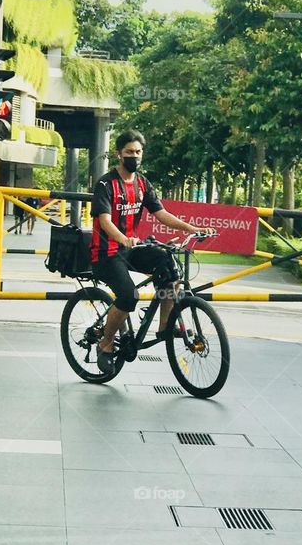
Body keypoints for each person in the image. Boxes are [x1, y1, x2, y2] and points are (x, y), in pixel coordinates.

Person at [91, 129, 214, 373]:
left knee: (169, 267)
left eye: (138, 152)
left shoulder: (142, 183)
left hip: (132, 248)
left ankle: (165, 324)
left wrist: (193, 228)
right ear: (119, 154)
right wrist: (123, 238)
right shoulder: (106, 183)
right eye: (129, 152)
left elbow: (161, 214)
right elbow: (104, 221)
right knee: (128, 297)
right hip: (107, 252)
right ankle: (104, 344)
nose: (134, 157)